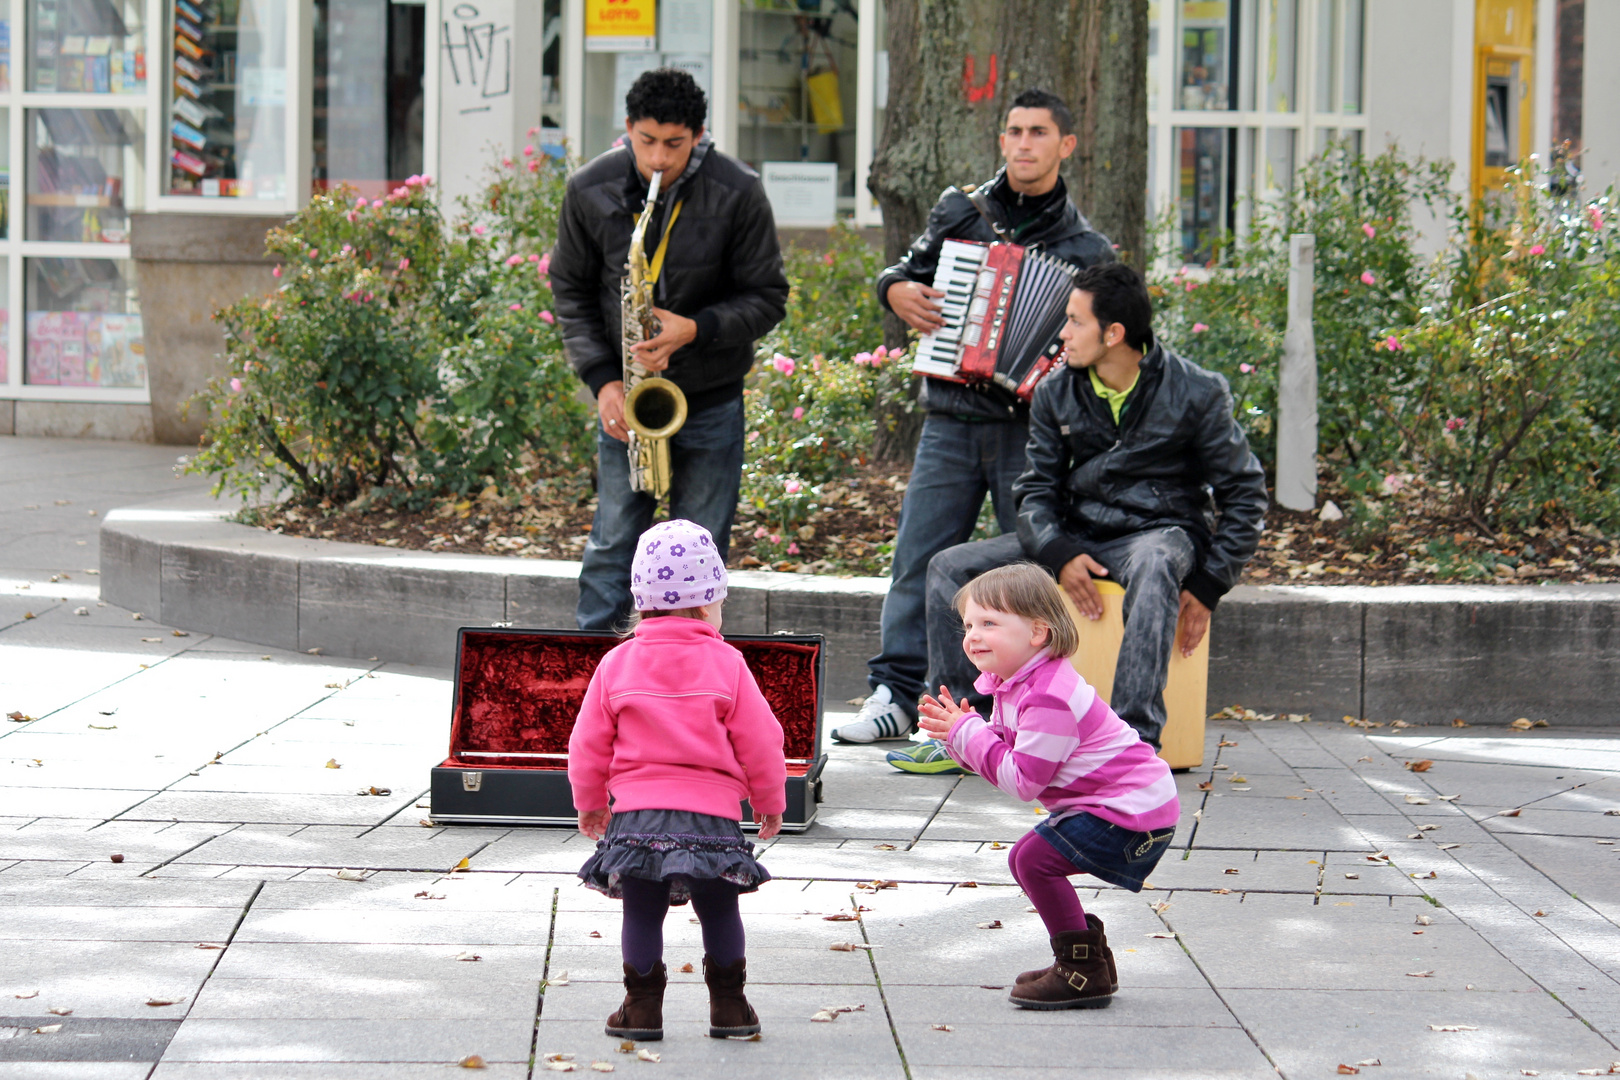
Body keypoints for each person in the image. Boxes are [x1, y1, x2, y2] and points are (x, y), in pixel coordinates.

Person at [833, 88, 1116, 760]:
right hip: (952, 417)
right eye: (1013, 131)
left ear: (1064, 145)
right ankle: (897, 697)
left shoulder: (1086, 247)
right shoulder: (963, 214)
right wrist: (893, 290)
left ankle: (1004, 708)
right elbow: (906, 272)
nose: (1023, 144)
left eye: (1038, 133)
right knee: (916, 561)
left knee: (1019, 573)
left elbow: (1095, 348)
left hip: (1030, 431)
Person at [925, 262, 1269, 750]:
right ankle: (968, 732)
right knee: (948, 567)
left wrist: (1211, 583)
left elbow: (1245, 492)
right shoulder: (1055, 392)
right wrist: (1058, 550)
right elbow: (1034, 490)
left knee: (1155, 563)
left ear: (1114, 333)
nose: (1062, 333)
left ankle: (1133, 742)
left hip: (1160, 531)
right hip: (1076, 532)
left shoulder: (1198, 391)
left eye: (1075, 321)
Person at [552, 67, 789, 631]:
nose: (659, 159)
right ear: (628, 128)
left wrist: (696, 328)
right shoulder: (589, 188)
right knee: (612, 545)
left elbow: (768, 297)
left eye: (675, 145)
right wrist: (603, 380)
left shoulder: (738, 190)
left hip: (709, 399)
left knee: (700, 552)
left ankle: (691, 679)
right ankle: (596, 678)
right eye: (647, 142)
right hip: (627, 399)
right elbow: (571, 291)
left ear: (699, 135)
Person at [917, 563, 1179, 1009]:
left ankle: (1081, 970)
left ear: (1037, 632)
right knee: (1026, 857)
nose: (973, 636)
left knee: (1036, 859)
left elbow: (1022, 780)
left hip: (1133, 812)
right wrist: (959, 738)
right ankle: (1085, 957)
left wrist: (968, 732)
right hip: (1112, 805)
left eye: (989, 623)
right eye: (968, 625)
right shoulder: (1017, 684)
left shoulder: (1048, 696)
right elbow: (1001, 754)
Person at [569, 519, 787, 1041]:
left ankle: (641, 1009)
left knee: (642, 912)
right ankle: (730, 1008)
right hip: (712, 816)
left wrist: (591, 802)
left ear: (642, 600)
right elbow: (761, 740)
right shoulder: (729, 663)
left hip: (638, 815)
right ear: (709, 601)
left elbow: (587, 743)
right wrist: (770, 800)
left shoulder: (617, 662)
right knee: (719, 907)